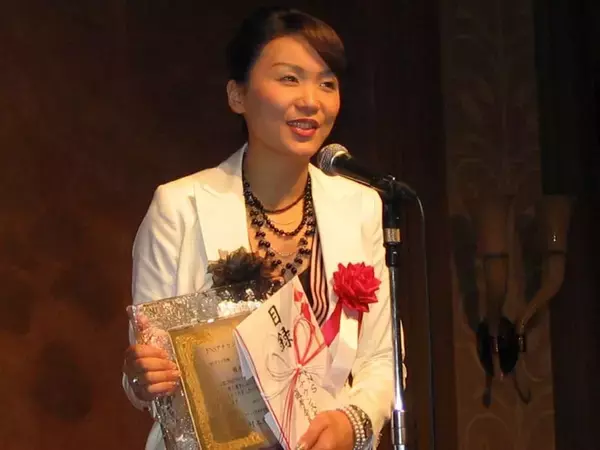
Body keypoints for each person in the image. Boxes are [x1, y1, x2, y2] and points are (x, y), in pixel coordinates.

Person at [123, 6, 396, 450]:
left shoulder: (360, 206)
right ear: (238, 95)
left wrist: (352, 423)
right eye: (289, 78)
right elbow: (147, 365)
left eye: (327, 83)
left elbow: (382, 356)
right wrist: (141, 377)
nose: (311, 100)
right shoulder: (180, 206)